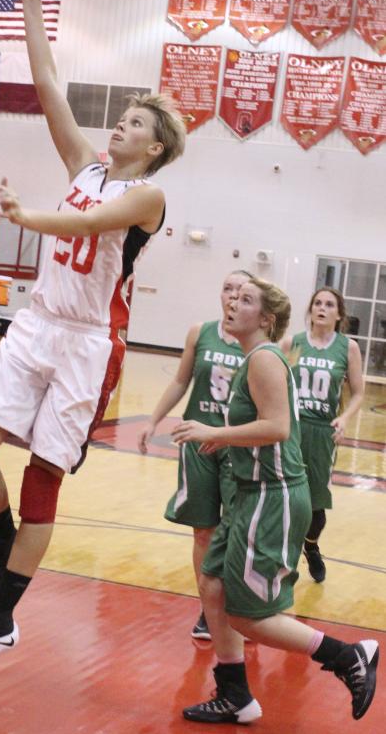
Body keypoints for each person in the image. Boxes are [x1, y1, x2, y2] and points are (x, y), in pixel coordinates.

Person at [0, 0, 185, 676]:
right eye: (122, 115)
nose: (119, 123)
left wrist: (28, 214)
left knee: (43, 473)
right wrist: (30, 3)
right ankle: (0, 543)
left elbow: (85, 227)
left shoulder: (149, 197)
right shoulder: (84, 162)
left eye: (135, 120)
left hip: (87, 342)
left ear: (157, 145)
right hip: (35, 326)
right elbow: (48, 86)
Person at [173, 278, 378, 724]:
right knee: (213, 585)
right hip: (249, 492)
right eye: (232, 295)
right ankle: (235, 696)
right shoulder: (255, 357)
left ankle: (348, 655)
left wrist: (216, 434)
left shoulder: (264, 359)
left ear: (266, 318)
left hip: (273, 497)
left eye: (246, 300)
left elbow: (280, 426)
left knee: (248, 618)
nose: (233, 302)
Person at [138, 271, 251, 640]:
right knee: (203, 531)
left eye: (241, 290)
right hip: (198, 442)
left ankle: (238, 605)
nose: (232, 295)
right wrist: (153, 420)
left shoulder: (259, 345)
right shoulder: (199, 332)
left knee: (235, 532)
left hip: (236, 445)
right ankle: (208, 608)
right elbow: (180, 381)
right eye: (227, 288)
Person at [282, 288, 363, 583]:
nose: (322, 308)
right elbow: (275, 377)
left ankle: (311, 546)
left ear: (339, 314)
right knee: (287, 499)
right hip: (291, 428)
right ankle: (286, 564)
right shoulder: (296, 343)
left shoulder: (347, 347)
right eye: (317, 303)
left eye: (329, 304)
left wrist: (343, 418)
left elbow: (358, 393)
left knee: (315, 507)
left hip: (322, 432)